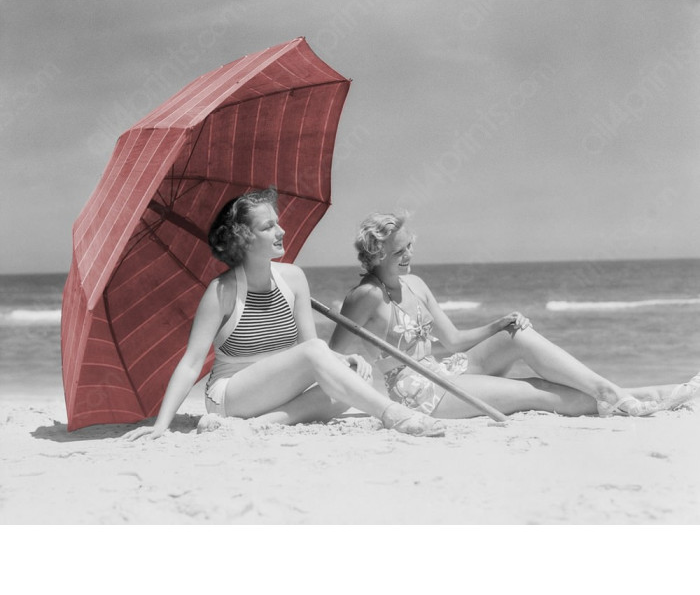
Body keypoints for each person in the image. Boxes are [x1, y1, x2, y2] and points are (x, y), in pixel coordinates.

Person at [124, 190, 446, 442]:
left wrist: (344, 361)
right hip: (231, 394)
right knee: (325, 363)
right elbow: (191, 363)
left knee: (352, 379)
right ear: (244, 238)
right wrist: (162, 425)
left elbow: (312, 349)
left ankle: (259, 425)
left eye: (277, 222)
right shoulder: (221, 292)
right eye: (268, 226)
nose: (281, 230)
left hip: (275, 393)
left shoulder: (293, 278)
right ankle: (393, 414)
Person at [329, 212, 699, 420]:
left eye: (410, 247)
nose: (409, 256)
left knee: (516, 336)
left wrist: (498, 324)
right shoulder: (364, 297)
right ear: (376, 256)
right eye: (400, 252)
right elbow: (333, 358)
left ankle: (611, 391)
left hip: (442, 371)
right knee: (532, 391)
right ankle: (645, 394)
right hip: (420, 395)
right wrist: (355, 362)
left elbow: (453, 340)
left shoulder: (417, 284)